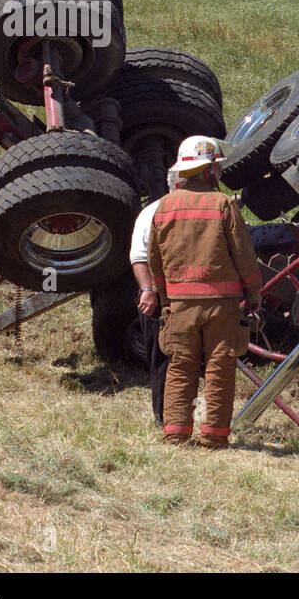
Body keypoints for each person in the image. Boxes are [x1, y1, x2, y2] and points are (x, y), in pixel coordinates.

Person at [147, 137, 262, 448]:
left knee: (180, 366)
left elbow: (154, 258)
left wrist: (164, 295)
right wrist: (254, 293)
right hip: (221, 306)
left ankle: (175, 434)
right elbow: (243, 255)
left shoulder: (164, 206)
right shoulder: (223, 204)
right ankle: (212, 437)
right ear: (210, 170)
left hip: (180, 305)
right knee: (219, 369)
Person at [130, 169, 182, 424]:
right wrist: (148, 292)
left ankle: (188, 415)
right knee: (162, 357)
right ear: (178, 185)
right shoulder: (153, 212)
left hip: (191, 296)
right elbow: (139, 256)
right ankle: (163, 418)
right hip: (160, 297)